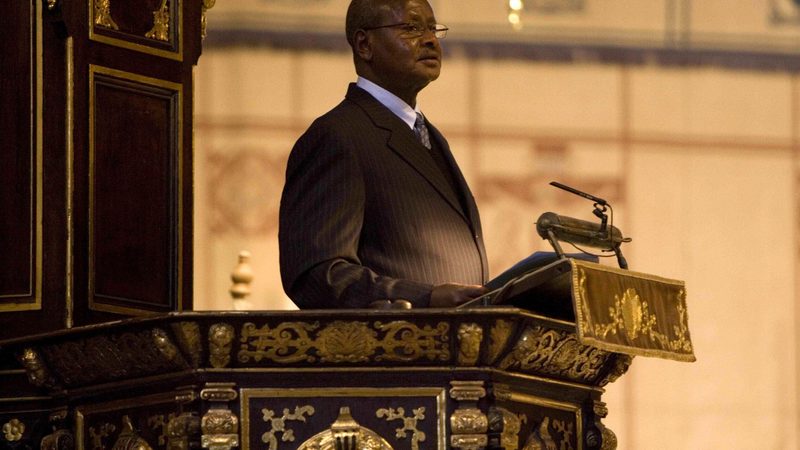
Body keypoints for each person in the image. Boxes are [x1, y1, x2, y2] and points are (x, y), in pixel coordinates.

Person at [279, 0, 488, 309]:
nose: (430, 39)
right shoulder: (338, 136)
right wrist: (426, 298)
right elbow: (316, 274)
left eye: (433, 28)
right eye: (413, 28)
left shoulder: (430, 135)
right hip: (395, 349)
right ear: (365, 44)